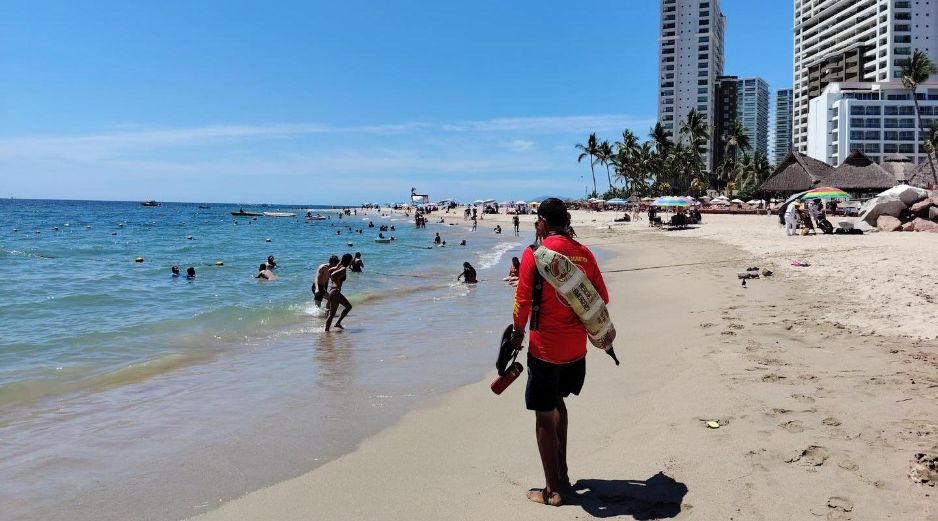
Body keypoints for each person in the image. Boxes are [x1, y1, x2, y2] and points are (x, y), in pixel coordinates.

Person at [510, 197, 608, 507]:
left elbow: (522, 301)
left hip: (545, 349)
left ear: (541, 222)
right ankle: (562, 473)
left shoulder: (535, 255)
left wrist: (516, 333)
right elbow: (601, 297)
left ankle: (552, 491)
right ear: (565, 221)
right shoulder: (584, 254)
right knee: (558, 404)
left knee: (543, 415)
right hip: (576, 352)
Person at [325, 253, 353, 331]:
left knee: (348, 307)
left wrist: (333, 282)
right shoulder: (343, 268)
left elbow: (330, 270)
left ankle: (338, 323)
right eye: (351, 260)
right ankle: (326, 332)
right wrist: (337, 284)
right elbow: (333, 274)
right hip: (336, 291)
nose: (352, 261)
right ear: (349, 261)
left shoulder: (339, 266)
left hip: (333, 290)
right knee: (332, 314)